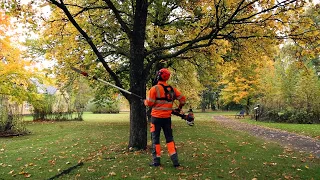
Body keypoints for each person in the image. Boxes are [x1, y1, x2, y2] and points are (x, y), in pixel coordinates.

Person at [144, 68, 186, 167]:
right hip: (167, 119)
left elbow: (149, 103)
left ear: (159, 76)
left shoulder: (154, 89)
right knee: (169, 139)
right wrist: (179, 108)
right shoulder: (172, 90)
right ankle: (175, 162)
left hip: (156, 118)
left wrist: (144, 101)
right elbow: (183, 99)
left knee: (155, 140)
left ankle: (156, 161)